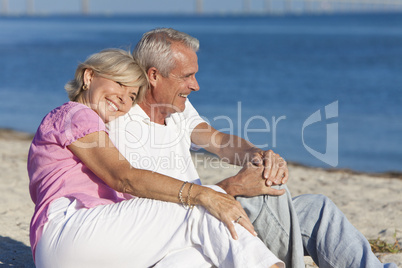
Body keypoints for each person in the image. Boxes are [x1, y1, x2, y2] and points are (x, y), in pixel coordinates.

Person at [108, 28, 397, 268]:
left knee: (317, 209)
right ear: (154, 75)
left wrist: (258, 157)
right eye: (186, 76)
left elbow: (219, 141)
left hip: (214, 211)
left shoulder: (176, 107)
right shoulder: (123, 127)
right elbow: (153, 212)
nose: (195, 85)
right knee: (263, 196)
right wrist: (233, 187)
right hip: (191, 229)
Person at [28, 48, 284, 268]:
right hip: (68, 232)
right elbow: (124, 177)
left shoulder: (97, 130)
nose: (122, 98)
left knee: (196, 256)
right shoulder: (75, 113)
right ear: (89, 76)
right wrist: (205, 193)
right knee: (201, 207)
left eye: (131, 96)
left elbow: (217, 140)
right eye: (118, 83)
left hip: (88, 243)